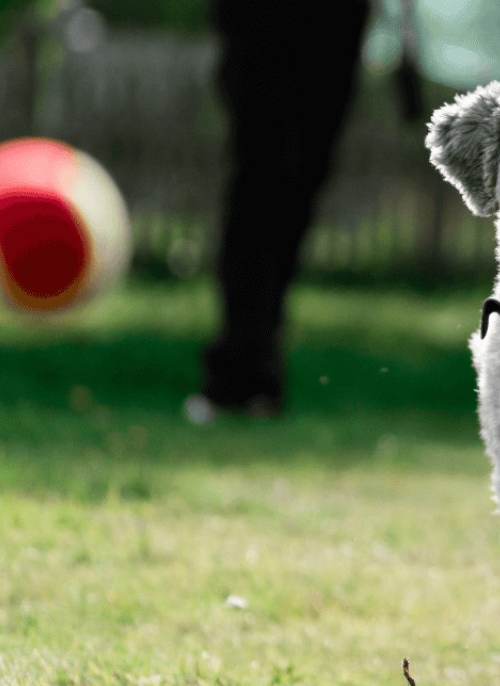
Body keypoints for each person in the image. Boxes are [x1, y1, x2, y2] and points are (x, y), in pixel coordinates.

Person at [186, 1, 372, 422]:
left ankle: (258, 364)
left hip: (335, 22)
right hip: (262, 24)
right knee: (263, 185)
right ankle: (239, 370)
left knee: (298, 193)